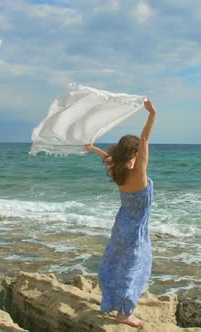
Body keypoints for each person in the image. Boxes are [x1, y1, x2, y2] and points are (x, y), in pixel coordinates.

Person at [84, 98, 156, 327]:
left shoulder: (118, 169)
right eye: (138, 151)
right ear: (135, 153)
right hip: (135, 229)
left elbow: (107, 158)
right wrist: (151, 114)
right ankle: (125, 313)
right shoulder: (138, 174)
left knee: (117, 262)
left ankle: (113, 301)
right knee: (135, 267)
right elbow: (145, 139)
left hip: (122, 223)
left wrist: (92, 148)